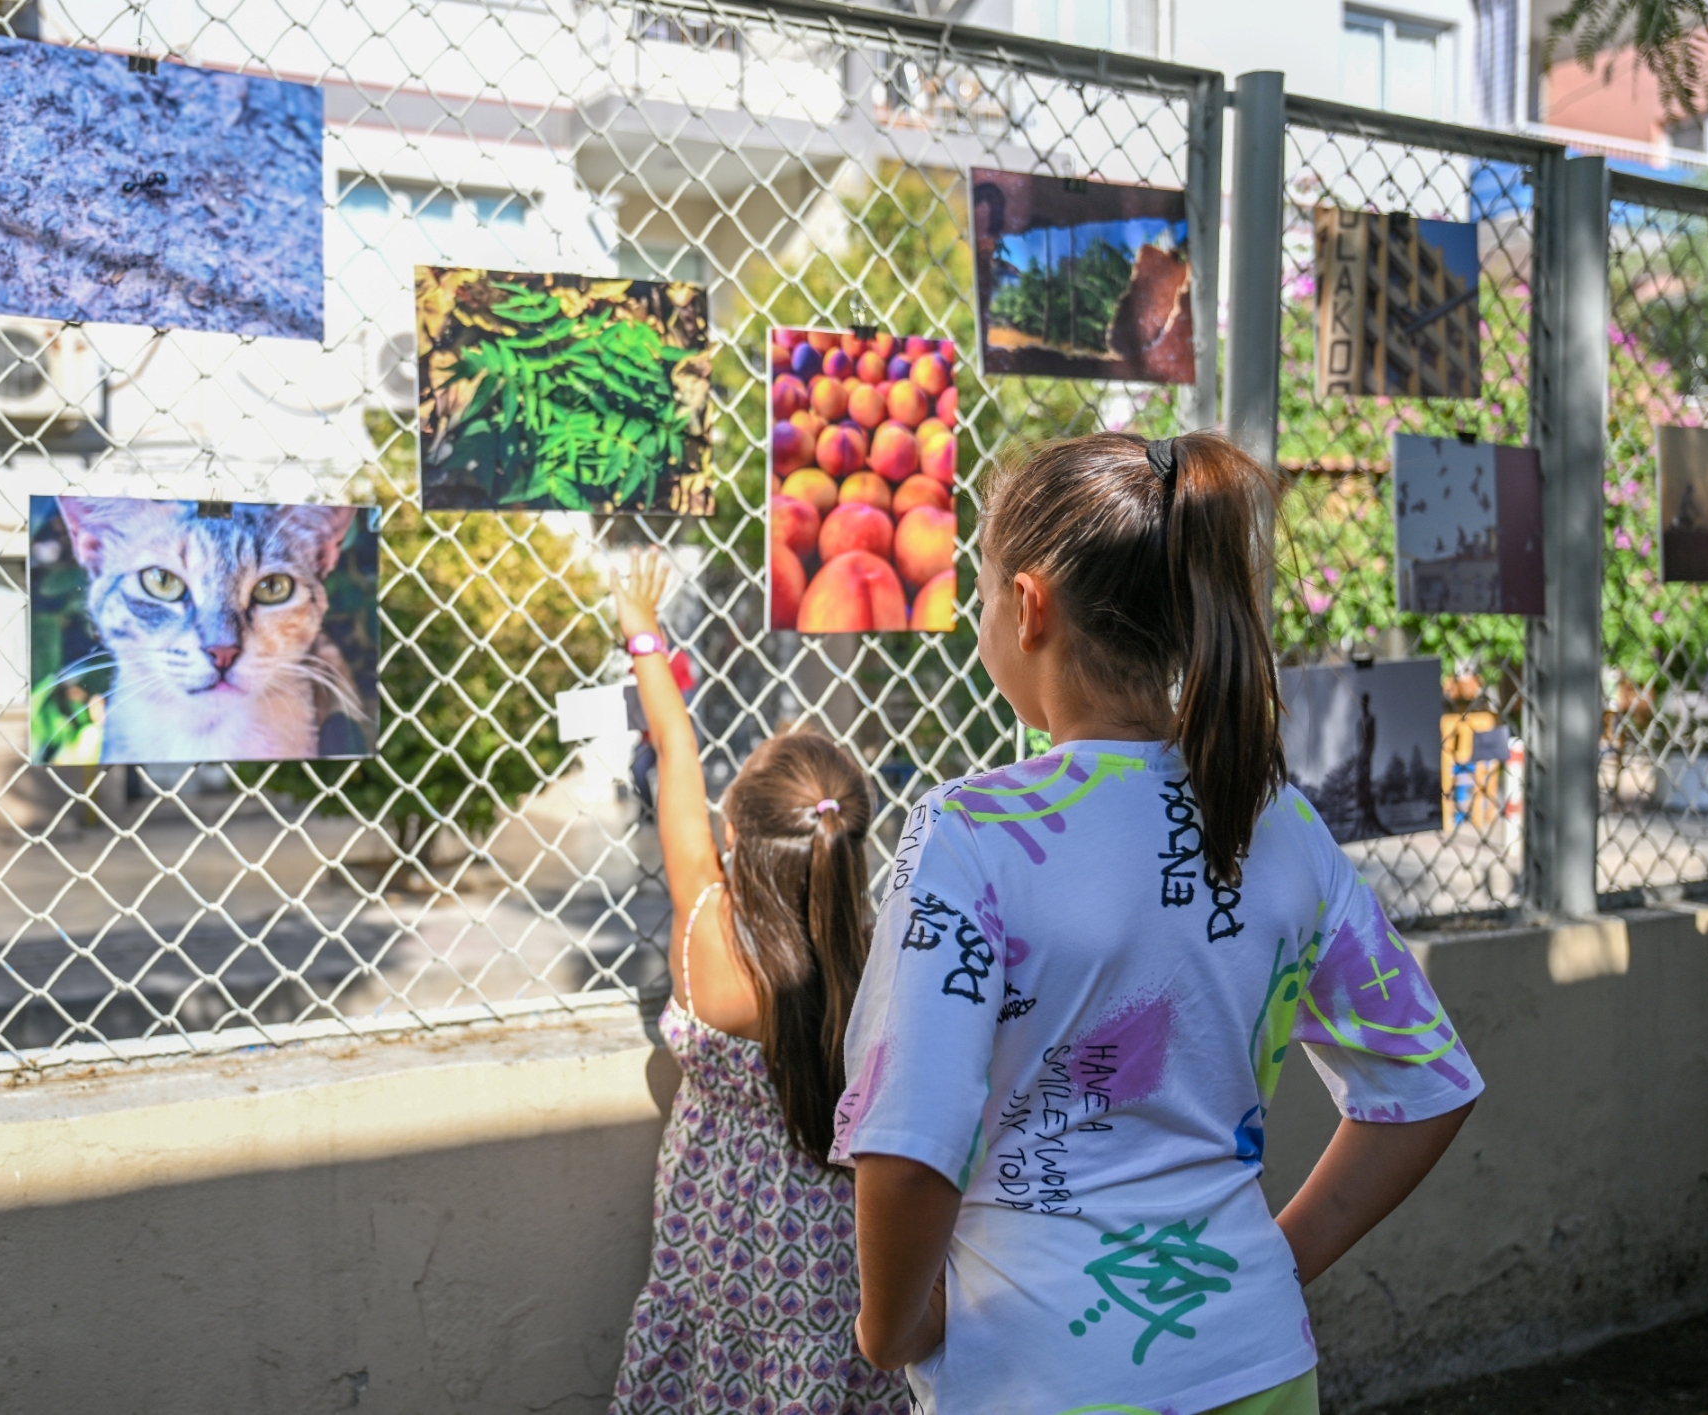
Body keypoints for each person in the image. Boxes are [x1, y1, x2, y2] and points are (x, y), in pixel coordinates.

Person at [838, 432, 1483, 1415]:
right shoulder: (1276, 821)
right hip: (1259, 1359)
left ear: (1028, 605)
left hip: (1037, 1376)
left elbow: (914, 1137)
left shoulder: (969, 837)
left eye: (980, 596)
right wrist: (1270, 1259)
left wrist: (888, 1327)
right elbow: (1426, 1085)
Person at [608, 550, 911, 1415]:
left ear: (736, 832)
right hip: (836, 1266)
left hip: (715, 1261)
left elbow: (675, 745)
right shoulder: (874, 958)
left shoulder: (705, 927)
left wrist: (640, 625)